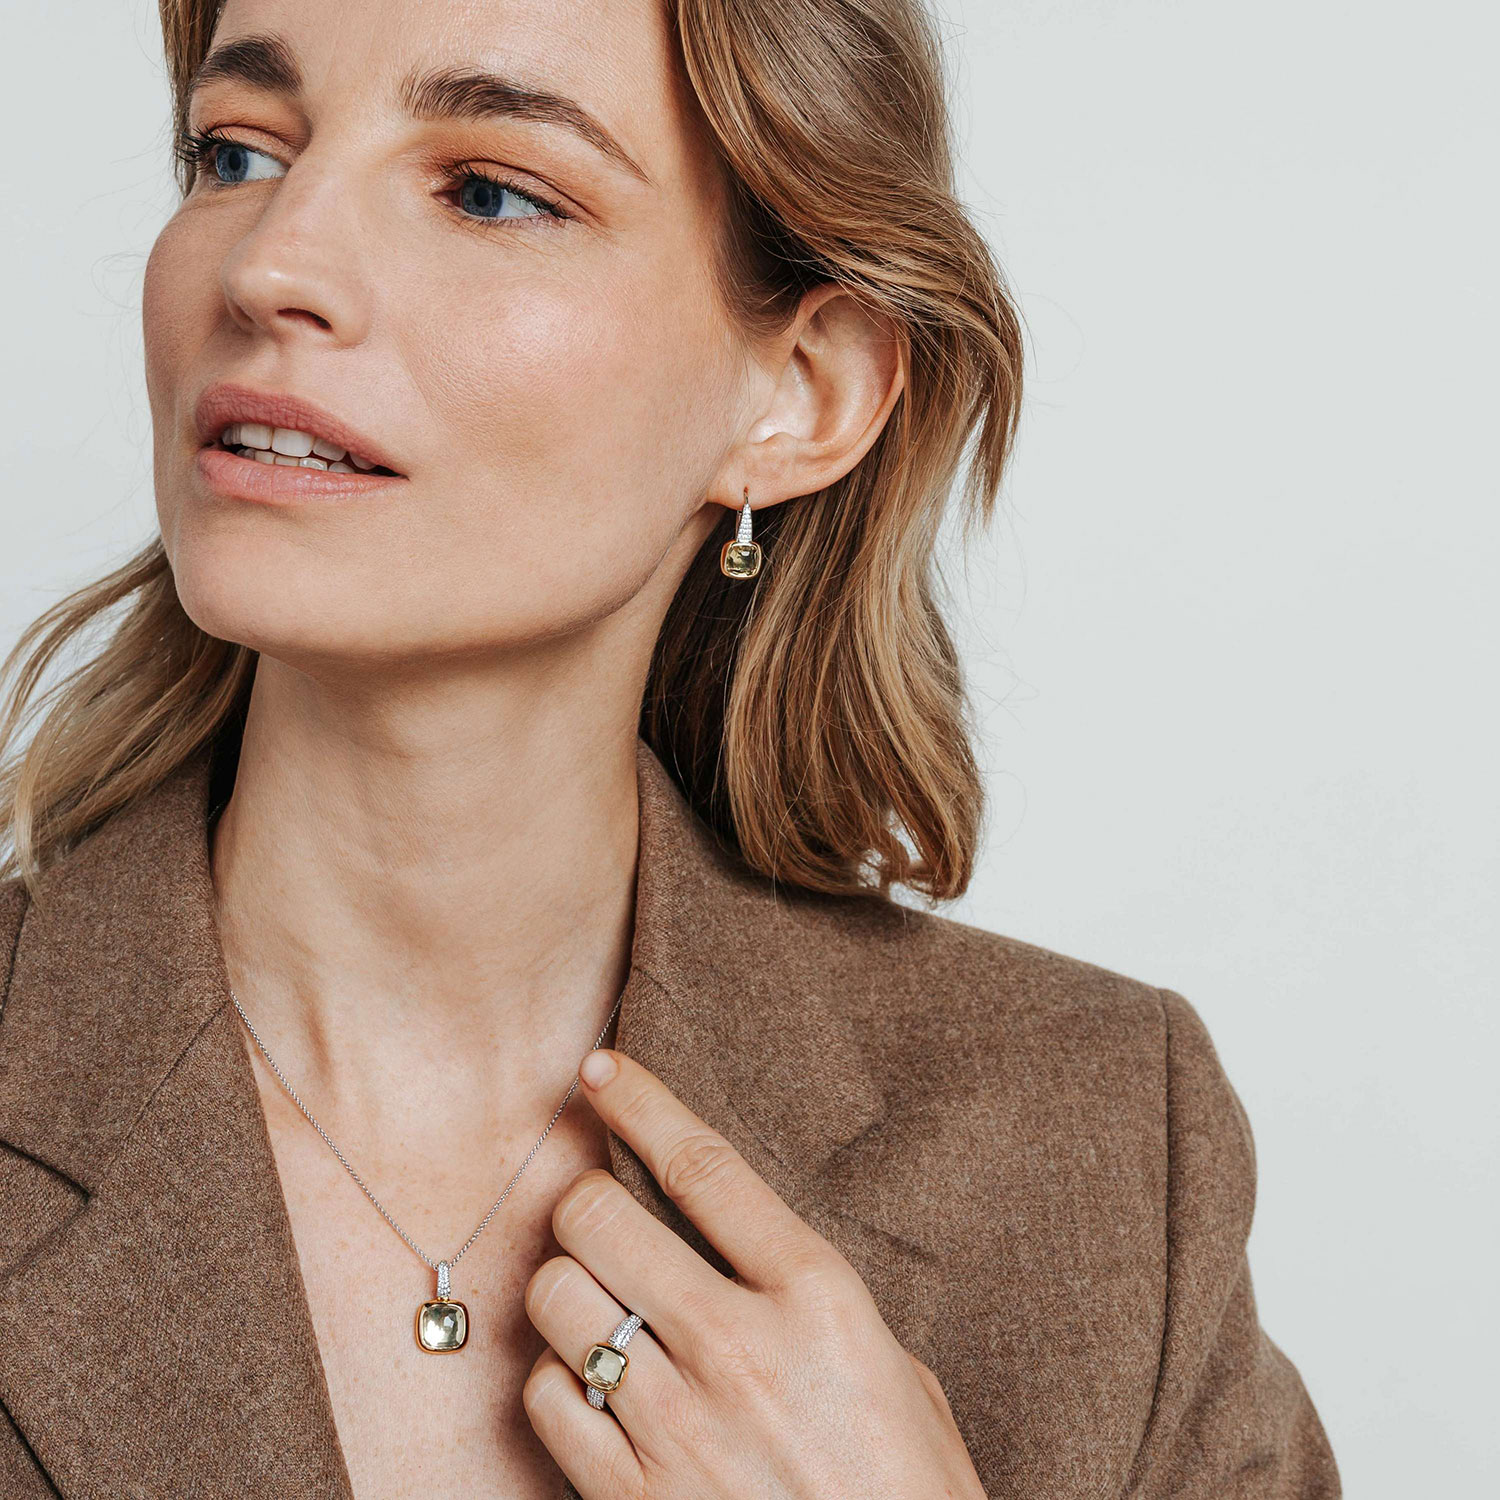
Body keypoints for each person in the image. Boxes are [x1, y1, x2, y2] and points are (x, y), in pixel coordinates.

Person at [0, 0, 1340, 1496]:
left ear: (804, 391)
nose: (270, 265)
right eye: (237, 153)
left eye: (490, 191)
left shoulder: (1098, 1144)